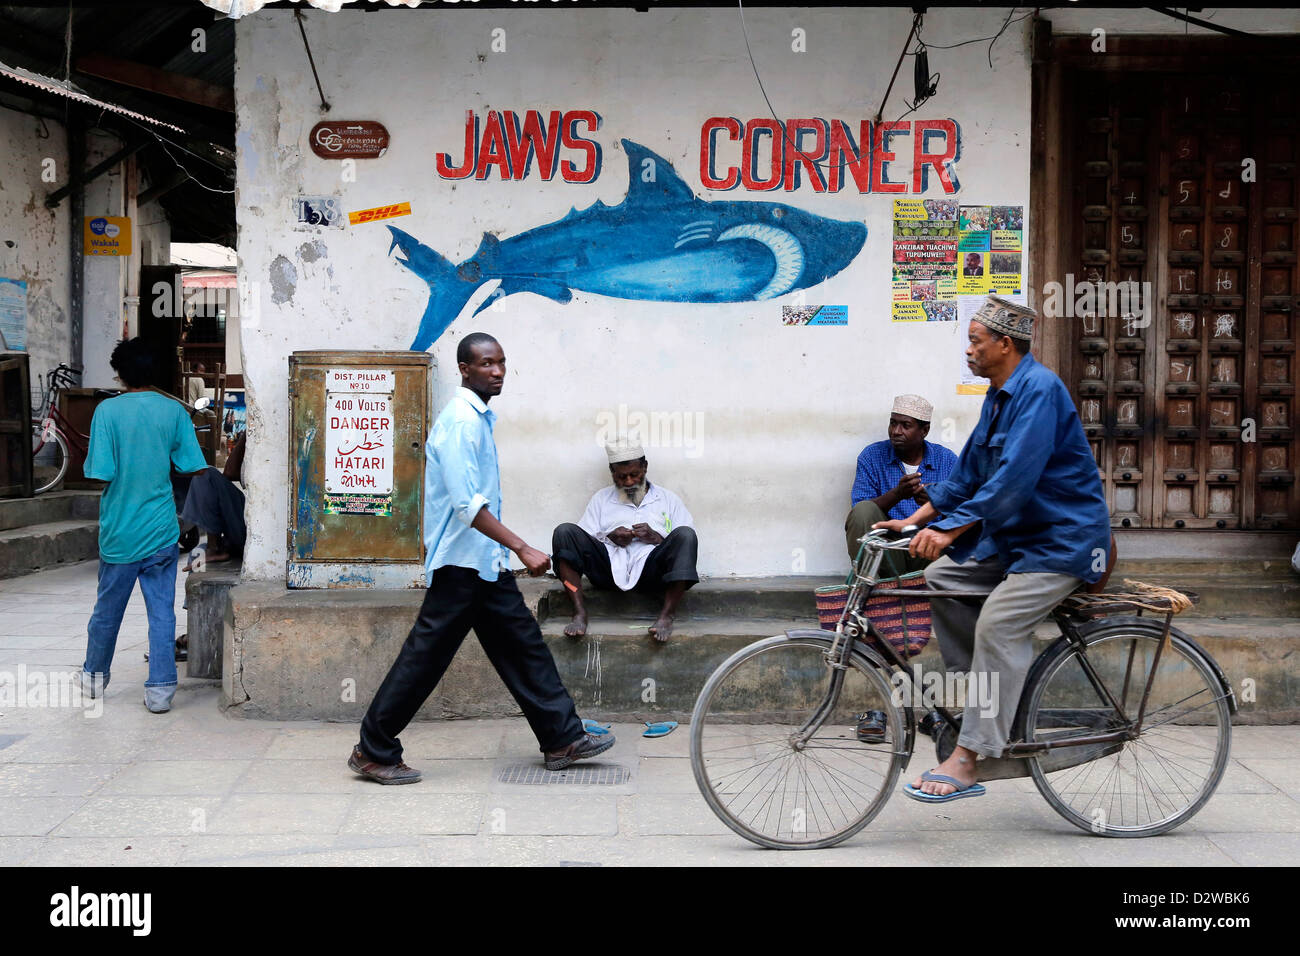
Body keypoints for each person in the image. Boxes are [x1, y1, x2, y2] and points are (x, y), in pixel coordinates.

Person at [874, 296, 1110, 803]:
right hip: (1018, 540)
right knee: (941, 581)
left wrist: (951, 532)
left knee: (998, 624)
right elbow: (967, 476)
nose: (968, 351)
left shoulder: (1040, 391)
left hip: (1061, 542)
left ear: (1005, 344)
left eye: (975, 342)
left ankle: (972, 753)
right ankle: (988, 696)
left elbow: (1012, 483)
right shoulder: (997, 395)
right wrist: (915, 518)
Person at [349, 333, 613, 784]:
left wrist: (502, 552)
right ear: (464, 369)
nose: (497, 372)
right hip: (460, 565)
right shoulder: (460, 422)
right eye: (487, 364)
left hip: (482, 565)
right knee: (424, 659)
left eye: (502, 363)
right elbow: (466, 506)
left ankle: (561, 738)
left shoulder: (478, 419)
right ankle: (373, 750)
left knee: (523, 647)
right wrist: (522, 546)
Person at [81, 338, 208, 713]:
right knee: (161, 612)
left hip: (120, 531)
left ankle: (93, 677)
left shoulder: (107, 411)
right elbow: (192, 466)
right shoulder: (173, 412)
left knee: (107, 611)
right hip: (161, 531)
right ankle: (161, 691)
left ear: (119, 372)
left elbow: (100, 471)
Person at [552, 439, 698, 643]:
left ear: (645, 468)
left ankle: (667, 616)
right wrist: (609, 537)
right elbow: (585, 537)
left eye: (634, 475)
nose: (629, 482)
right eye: (621, 477)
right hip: (608, 572)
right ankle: (579, 612)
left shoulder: (668, 499)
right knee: (564, 532)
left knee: (685, 535)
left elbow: (684, 541)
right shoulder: (601, 499)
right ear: (612, 472)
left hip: (652, 573)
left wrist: (656, 538)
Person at [845, 394, 957, 572]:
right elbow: (861, 512)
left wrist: (936, 500)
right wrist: (897, 494)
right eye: (893, 423)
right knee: (862, 510)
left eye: (906, 426)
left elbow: (963, 512)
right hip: (887, 548)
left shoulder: (947, 460)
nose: (896, 431)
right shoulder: (872, 456)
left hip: (929, 549)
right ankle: (883, 587)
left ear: (924, 430)